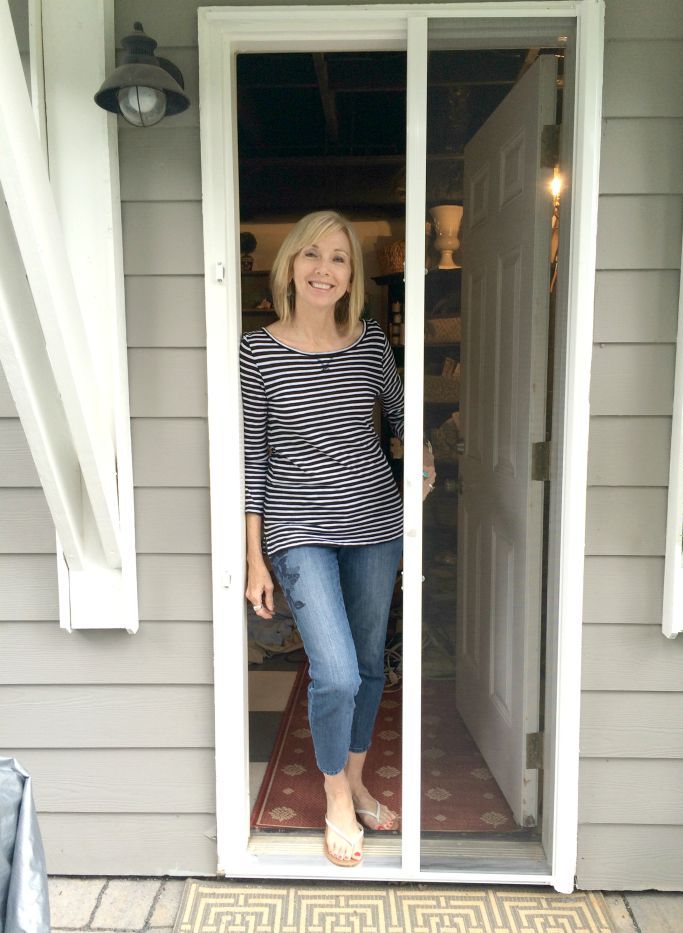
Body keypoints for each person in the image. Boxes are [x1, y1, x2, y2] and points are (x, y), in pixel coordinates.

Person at [240, 210, 436, 867]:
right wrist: (255, 558)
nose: (324, 269)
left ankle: (353, 777)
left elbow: (403, 412)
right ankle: (335, 796)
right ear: (290, 265)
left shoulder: (371, 342)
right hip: (299, 530)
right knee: (337, 670)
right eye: (312, 255)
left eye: (340, 258)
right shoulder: (257, 350)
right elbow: (252, 457)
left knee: (371, 664)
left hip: (375, 522)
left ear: (352, 276)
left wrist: (424, 458)